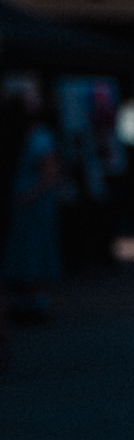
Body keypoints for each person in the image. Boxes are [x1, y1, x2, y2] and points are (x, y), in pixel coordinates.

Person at [2, 97, 62, 322]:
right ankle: (27, 299)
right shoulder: (22, 136)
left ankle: (38, 300)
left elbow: (50, 172)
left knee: (35, 248)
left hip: (34, 201)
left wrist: (32, 194)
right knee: (23, 249)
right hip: (23, 200)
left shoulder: (40, 137)